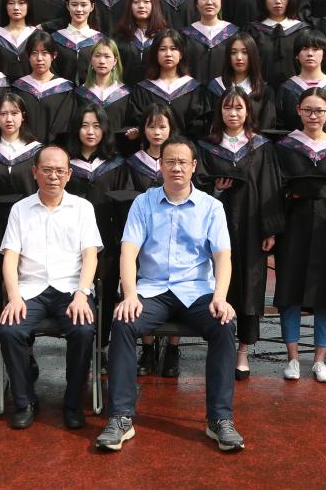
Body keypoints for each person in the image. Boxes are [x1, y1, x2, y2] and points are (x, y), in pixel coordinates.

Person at [97, 136, 244, 452]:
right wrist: (130, 295)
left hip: (197, 291)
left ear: (193, 166)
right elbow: (128, 251)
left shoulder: (211, 207)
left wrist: (220, 297)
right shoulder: (143, 203)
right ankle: (121, 417)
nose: (176, 168)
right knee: (123, 323)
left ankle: (220, 419)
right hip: (153, 290)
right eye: (170, 162)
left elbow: (223, 257)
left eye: (182, 162)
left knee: (223, 324)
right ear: (160, 166)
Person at [0, 145, 102, 430]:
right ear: (35, 172)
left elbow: (90, 256)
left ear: (69, 174)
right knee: (9, 330)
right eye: (46, 170)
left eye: (59, 171)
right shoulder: (20, 210)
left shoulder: (82, 208)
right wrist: (14, 296)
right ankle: (25, 401)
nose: (53, 176)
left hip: (71, 289)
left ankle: (72, 402)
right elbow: (10, 258)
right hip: (29, 290)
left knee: (83, 330)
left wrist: (82, 293)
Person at [196, 87, 281, 380]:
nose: (233, 114)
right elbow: (199, 184)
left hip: (251, 226)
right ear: (220, 112)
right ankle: (222, 346)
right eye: (227, 108)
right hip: (217, 226)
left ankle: (243, 351)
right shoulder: (207, 146)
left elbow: (270, 188)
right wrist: (216, 188)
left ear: (248, 112)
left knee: (250, 287)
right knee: (220, 284)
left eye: (238, 108)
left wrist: (270, 229)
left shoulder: (261, 146)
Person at [273, 87, 326, 383]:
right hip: (293, 231)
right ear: (298, 111)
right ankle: (293, 359)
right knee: (290, 293)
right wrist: (290, 196)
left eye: (319, 110)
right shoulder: (285, 147)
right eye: (307, 110)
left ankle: (320, 361)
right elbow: (274, 188)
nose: (313, 116)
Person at [65, 103, 133, 358]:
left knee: (105, 290)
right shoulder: (66, 165)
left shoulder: (117, 165)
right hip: (71, 241)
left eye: (96, 126)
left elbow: (125, 203)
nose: (90, 131)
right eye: (84, 126)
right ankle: (79, 346)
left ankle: (102, 345)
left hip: (107, 238)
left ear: (104, 129)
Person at [124, 103, 183, 377]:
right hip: (142, 231)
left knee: (180, 282)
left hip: (176, 230)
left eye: (162, 126)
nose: (157, 132)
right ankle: (147, 348)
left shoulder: (180, 158)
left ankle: (172, 348)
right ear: (143, 129)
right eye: (151, 126)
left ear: (171, 129)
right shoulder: (133, 162)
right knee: (143, 283)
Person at [0, 92, 43, 331]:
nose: (9, 119)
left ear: (23, 116)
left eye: (14, 113)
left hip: (31, 225)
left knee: (27, 280)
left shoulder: (37, 151)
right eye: (3, 114)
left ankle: (26, 342)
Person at [275, 28, 326, 147]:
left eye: (315, 49)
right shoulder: (286, 89)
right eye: (304, 49)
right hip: (294, 154)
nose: (310, 54)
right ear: (296, 55)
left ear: (324, 54)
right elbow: (280, 128)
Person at [126, 28, 206, 139]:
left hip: (184, 148)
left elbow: (200, 126)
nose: (168, 54)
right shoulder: (143, 89)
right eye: (162, 49)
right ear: (156, 54)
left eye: (173, 49)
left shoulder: (194, 89)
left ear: (181, 54)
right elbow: (136, 122)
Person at [12, 30, 75, 145]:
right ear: (28, 56)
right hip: (22, 149)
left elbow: (64, 125)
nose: (39, 58)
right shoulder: (18, 88)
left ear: (53, 56)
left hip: (54, 150)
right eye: (34, 53)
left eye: (44, 53)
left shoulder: (65, 90)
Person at [204, 32, 277, 132]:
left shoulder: (265, 91)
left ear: (252, 55)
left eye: (245, 52)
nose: (239, 57)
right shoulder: (215, 87)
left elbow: (266, 128)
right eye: (233, 52)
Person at [248, 0, 306, 93]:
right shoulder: (252, 31)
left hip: (297, 95)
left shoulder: (302, 31)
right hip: (260, 95)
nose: (278, 1)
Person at [181, 0, 239, 86]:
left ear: (221, 1)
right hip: (193, 93)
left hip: (225, 93)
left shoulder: (233, 33)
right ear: (196, 3)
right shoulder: (185, 34)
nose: (209, 2)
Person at [73, 39, 131, 137]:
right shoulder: (79, 93)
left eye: (107, 56)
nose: (102, 61)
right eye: (97, 56)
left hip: (117, 145)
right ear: (91, 59)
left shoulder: (126, 93)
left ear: (115, 61)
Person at [114, 0, 167, 89]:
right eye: (136, 2)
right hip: (124, 94)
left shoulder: (164, 37)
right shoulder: (119, 37)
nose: (141, 6)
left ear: (154, 5)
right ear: (129, 6)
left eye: (146, 1)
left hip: (155, 93)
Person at [51, 0, 105, 86]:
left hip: (92, 93)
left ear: (92, 7)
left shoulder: (100, 40)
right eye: (74, 5)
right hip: (61, 93)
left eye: (84, 5)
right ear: (67, 6)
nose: (79, 9)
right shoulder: (55, 38)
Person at [0, 0, 37, 82]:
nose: (16, 7)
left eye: (21, 3)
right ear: (5, 6)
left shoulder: (37, 35)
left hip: (31, 89)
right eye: (11, 3)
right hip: (2, 88)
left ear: (28, 5)